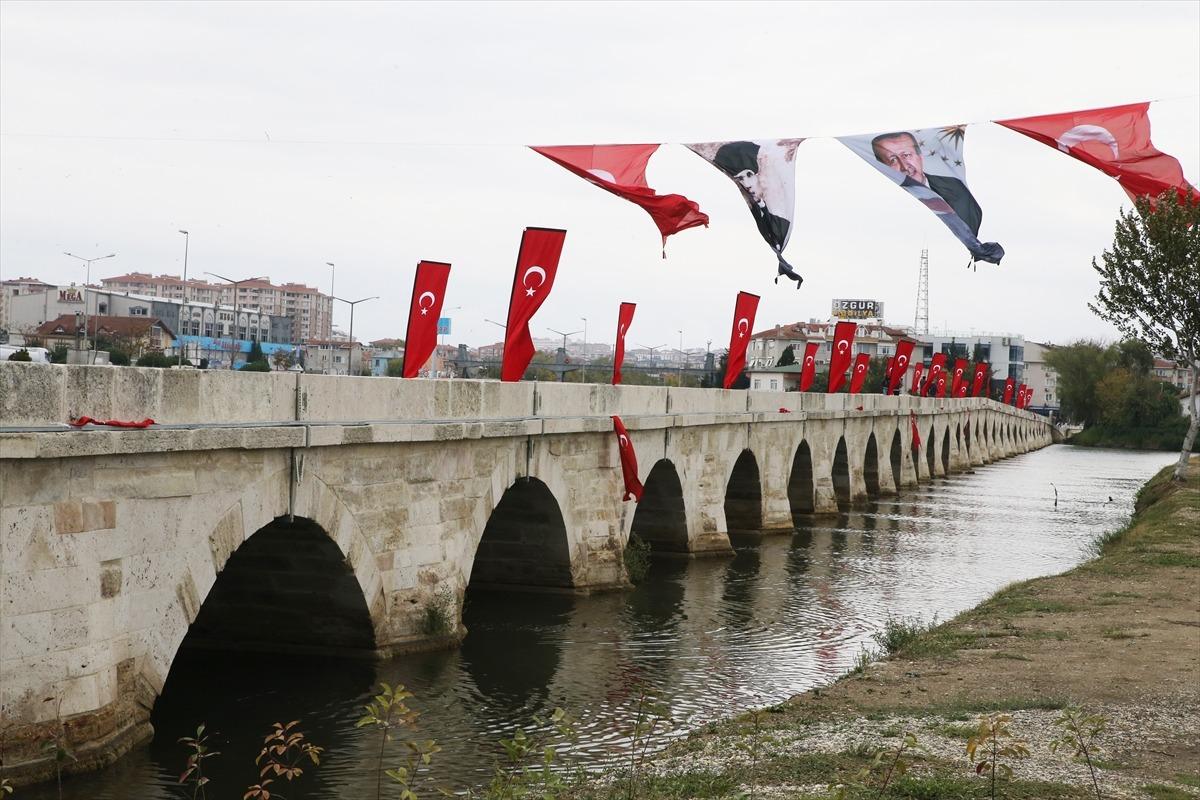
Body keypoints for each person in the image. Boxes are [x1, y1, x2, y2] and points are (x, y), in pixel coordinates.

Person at [871, 132, 983, 235]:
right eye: (893, 160)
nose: (904, 166)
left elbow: (970, 219)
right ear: (884, 167)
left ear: (920, 156)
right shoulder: (883, 202)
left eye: (906, 155)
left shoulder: (953, 187)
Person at [713, 141, 791, 248]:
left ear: (759, 175)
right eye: (740, 179)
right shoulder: (741, 216)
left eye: (749, 175)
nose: (747, 184)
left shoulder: (781, 222)